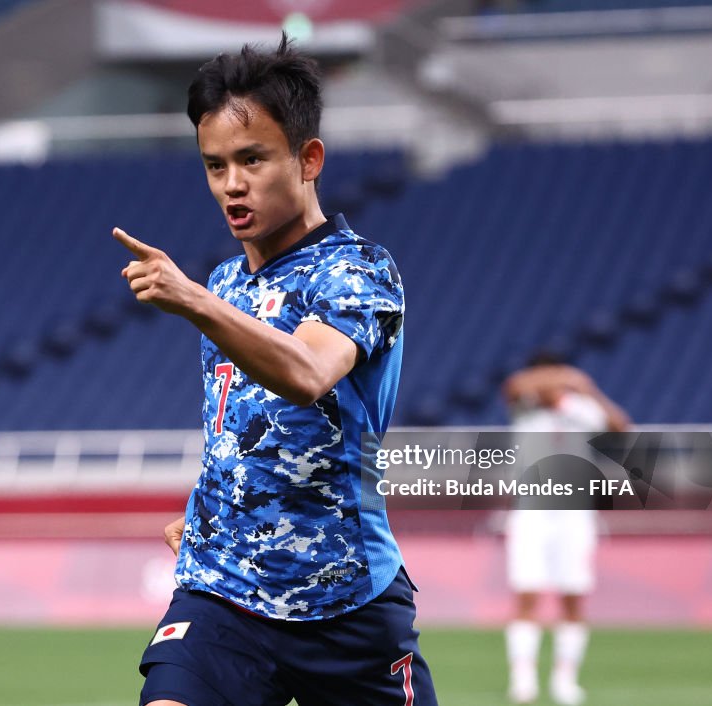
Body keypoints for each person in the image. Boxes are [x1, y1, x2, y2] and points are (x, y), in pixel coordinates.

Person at [113, 33, 436, 706]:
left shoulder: (359, 271)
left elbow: (308, 373)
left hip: (346, 605)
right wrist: (216, 509)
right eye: (215, 165)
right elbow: (239, 426)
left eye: (252, 159)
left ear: (308, 157)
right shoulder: (226, 280)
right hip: (222, 590)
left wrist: (194, 301)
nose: (231, 184)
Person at [501, 353, 630, 705]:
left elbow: (621, 426)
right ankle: (523, 678)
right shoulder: (525, 404)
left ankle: (565, 679)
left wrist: (586, 389)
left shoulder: (582, 407)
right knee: (526, 594)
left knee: (573, 595)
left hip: (574, 511)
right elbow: (513, 386)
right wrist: (566, 379)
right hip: (532, 510)